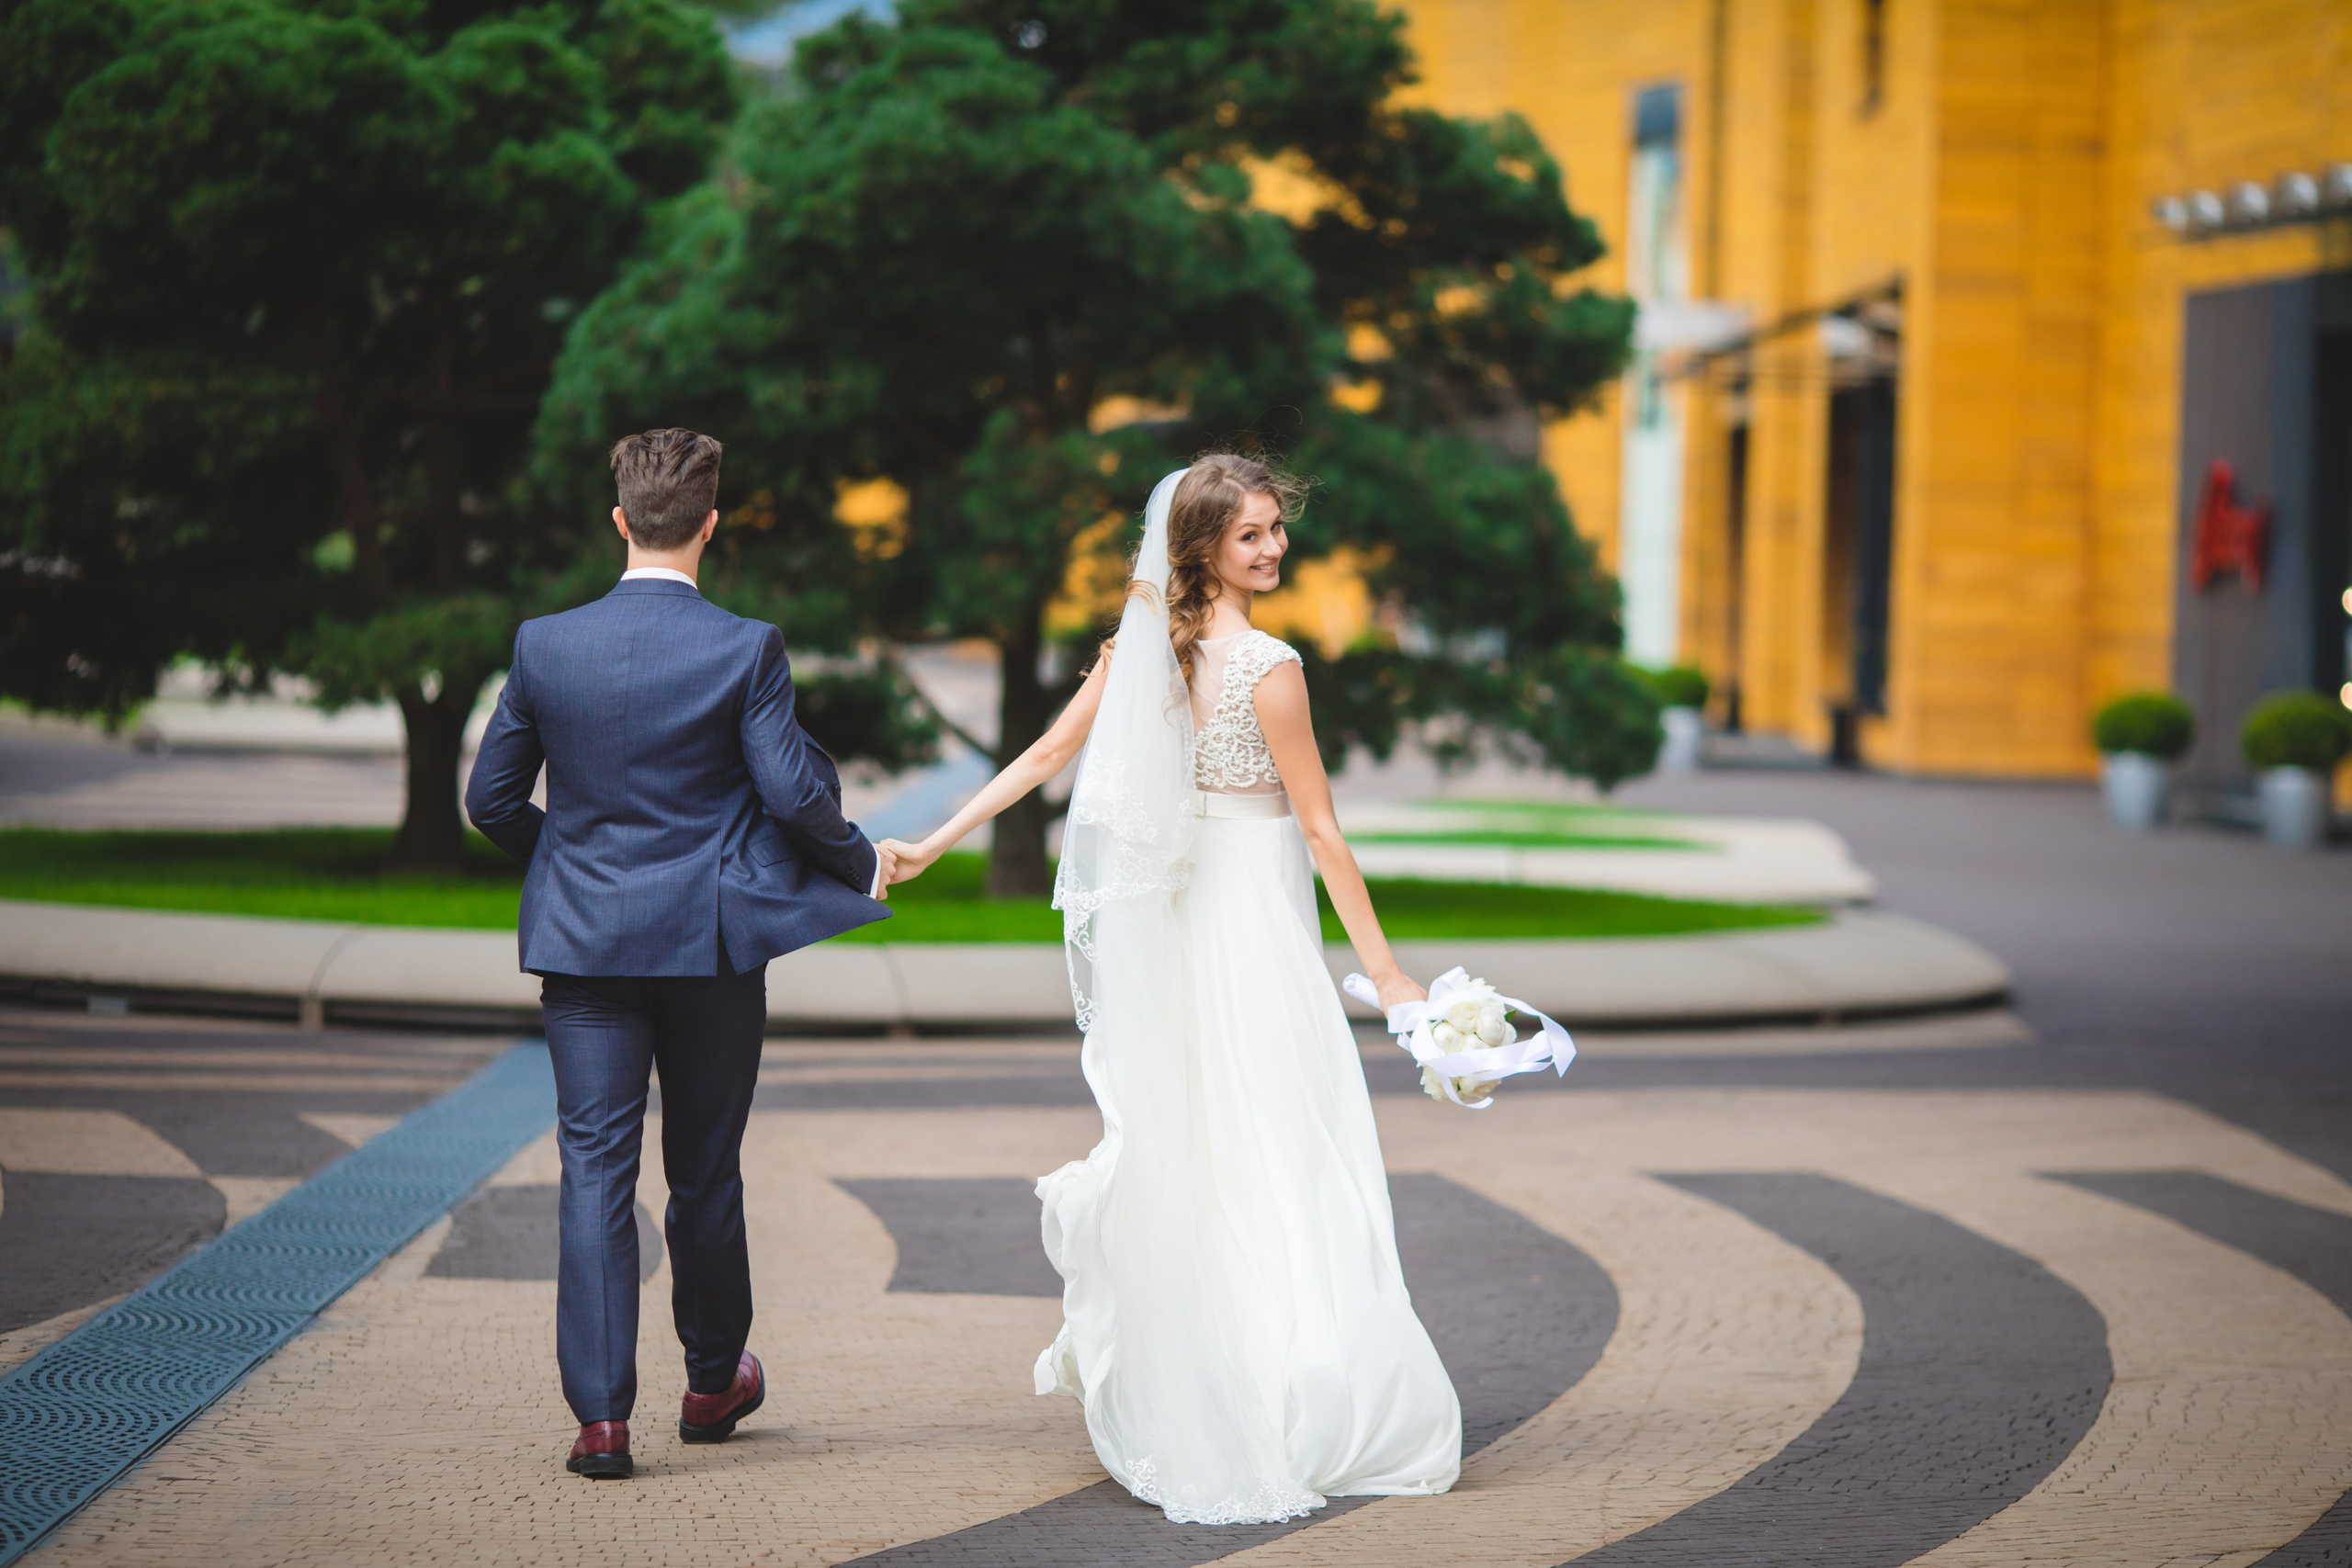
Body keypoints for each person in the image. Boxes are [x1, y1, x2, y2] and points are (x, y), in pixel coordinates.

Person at [879, 453, 1462, 1525]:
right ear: (1201, 547)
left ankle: (1214, 1378)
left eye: (1276, 528)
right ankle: (1293, 1391)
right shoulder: (1268, 664)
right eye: (1250, 534)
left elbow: (1051, 752)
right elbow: (1321, 831)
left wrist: (939, 838)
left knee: (1203, 1141)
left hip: (1187, 922)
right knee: (1279, 1140)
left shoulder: (1147, 647)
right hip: (1244, 921)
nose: (1273, 546)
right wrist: (1384, 975)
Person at [466, 428, 896, 1480]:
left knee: (592, 1171)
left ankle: (602, 1421)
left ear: (619, 522)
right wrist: (859, 863)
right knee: (703, 1173)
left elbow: (488, 802)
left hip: (582, 954)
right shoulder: (744, 646)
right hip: (706, 951)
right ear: (710, 524)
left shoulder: (542, 644)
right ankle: (711, 1384)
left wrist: (564, 858)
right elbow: (794, 791)